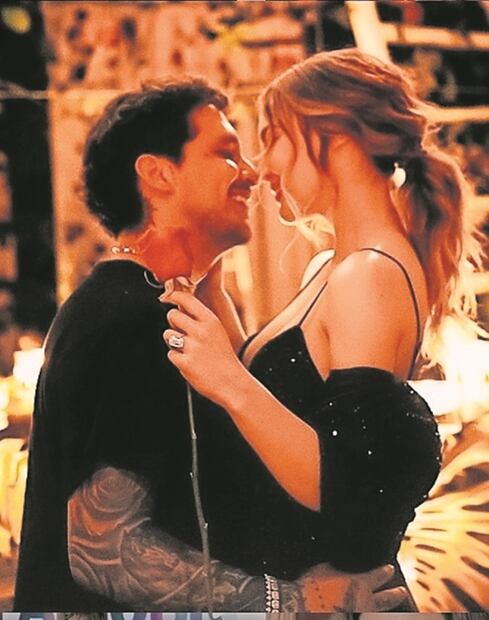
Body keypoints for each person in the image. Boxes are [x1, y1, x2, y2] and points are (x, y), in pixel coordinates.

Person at [14, 78, 408, 612]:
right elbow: (103, 547)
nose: (251, 172)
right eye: (226, 153)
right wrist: (294, 599)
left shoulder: (163, 308)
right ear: (158, 174)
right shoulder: (131, 321)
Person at [161, 48, 481, 611]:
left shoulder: (369, 275)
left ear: (335, 136)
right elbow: (286, 397)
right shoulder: (332, 267)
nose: (261, 166)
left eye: (272, 138)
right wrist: (210, 282)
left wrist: (227, 380)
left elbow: (346, 484)